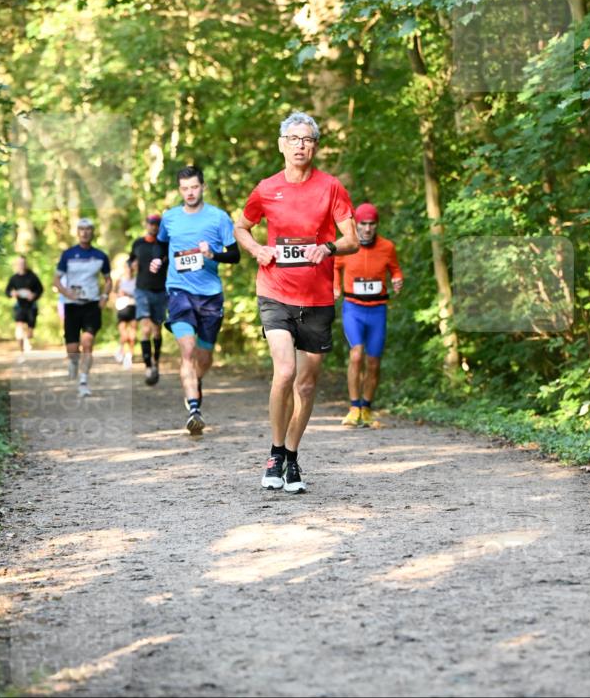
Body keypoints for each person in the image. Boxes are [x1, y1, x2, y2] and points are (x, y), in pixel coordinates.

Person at [235, 111, 358, 493]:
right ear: (281, 144)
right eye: (293, 138)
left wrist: (327, 247)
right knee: (285, 371)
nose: (300, 145)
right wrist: (257, 249)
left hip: (317, 297)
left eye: (307, 139)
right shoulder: (266, 188)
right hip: (275, 291)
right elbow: (241, 226)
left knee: (306, 386)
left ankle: (291, 456)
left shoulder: (331, 187)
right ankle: (274, 452)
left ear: (315, 146)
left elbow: (352, 238)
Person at [151, 166, 240, 435]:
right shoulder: (170, 217)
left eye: (194, 187)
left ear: (203, 187)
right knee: (187, 350)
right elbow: (161, 243)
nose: (190, 193)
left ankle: (194, 383)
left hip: (210, 295)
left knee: (204, 356)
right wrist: (159, 258)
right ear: (180, 190)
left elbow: (234, 255)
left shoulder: (219, 218)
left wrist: (213, 254)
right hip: (179, 291)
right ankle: (193, 408)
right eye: (185, 188)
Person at [334, 202, 404, 427]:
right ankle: (354, 407)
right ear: (356, 224)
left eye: (371, 224)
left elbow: (394, 268)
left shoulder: (387, 247)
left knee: (374, 362)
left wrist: (397, 279)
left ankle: (367, 408)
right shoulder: (347, 245)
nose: (367, 228)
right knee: (356, 354)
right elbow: (334, 265)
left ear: (376, 225)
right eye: (363, 223)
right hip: (353, 308)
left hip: (377, 309)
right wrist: (335, 286)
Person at [53, 219, 111, 397]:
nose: (85, 232)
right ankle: (73, 362)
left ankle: (84, 381)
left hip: (92, 305)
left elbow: (108, 280)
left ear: (93, 232)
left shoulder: (100, 256)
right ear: (77, 232)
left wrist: (104, 297)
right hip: (72, 306)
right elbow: (56, 280)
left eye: (88, 229)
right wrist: (66, 293)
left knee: (88, 343)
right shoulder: (68, 255)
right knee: (72, 349)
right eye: (82, 229)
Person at [129, 213, 168, 386]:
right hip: (142, 290)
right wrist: (131, 265)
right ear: (146, 224)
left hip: (160, 291)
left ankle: (156, 361)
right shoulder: (138, 243)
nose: (153, 226)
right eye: (151, 223)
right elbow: (130, 260)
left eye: (157, 224)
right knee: (145, 329)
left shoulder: (165, 245)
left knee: (157, 331)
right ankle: (147, 367)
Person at [5, 255, 43, 355]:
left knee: (30, 332)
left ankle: (27, 339)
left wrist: (33, 295)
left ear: (25, 264)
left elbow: (40, 289)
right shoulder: (14, 278)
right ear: (16, 265)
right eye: (19, 263)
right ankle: (21, 351)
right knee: (19, 326)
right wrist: (12, 294)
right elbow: (7, 291)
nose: (21, 265)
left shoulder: (32, 276)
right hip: (19, 306)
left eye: (23, 263)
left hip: (31, 306)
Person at [114, 259, 137, 369]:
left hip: (133, 307)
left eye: (131, 268)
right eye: (127, 268)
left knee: (132, 336)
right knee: (124, 334)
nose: (129, 270)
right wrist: (118, 295)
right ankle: (121, 348)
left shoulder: (137, 280)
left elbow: (139, 294)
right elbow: (114, 293)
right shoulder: (120, 281)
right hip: (122, 308)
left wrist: (129, 294)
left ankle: (129, 356)